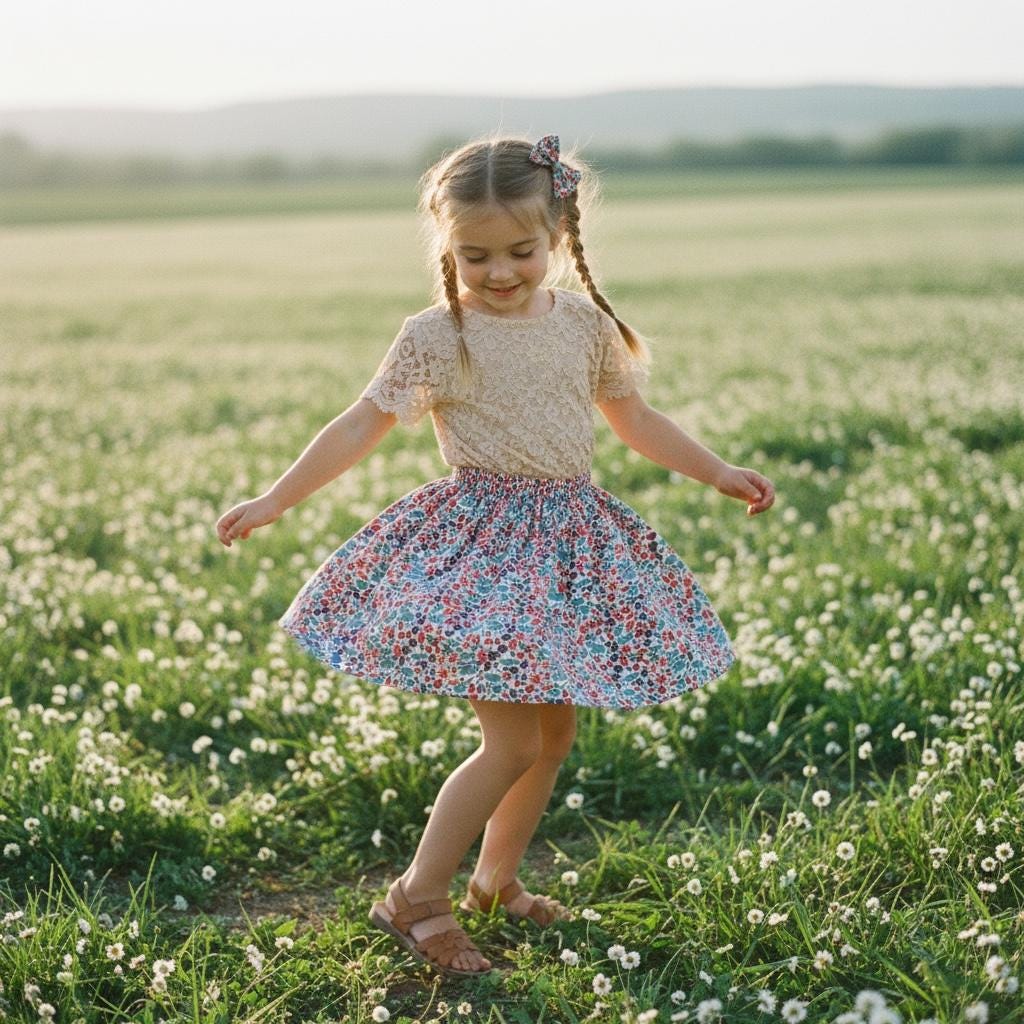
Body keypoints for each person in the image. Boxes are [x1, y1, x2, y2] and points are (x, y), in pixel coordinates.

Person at [215, 132, 775, 978]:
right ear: (446, 246)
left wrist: (717, 471)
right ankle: (416, 897)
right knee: (509, 744)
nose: (501, 271)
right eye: (475, 256)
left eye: (521, 250)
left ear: (558, 236)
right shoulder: (436, 336)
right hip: (485, 554)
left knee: (552, 734)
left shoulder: (583, 325)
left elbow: (635, 420)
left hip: (568, 545)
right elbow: (361, 423)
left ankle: (494, 880)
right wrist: (275, 499)